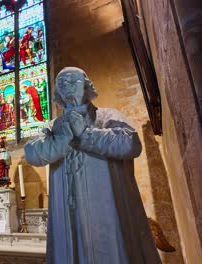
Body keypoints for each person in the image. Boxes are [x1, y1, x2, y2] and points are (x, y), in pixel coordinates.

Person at [24, 67, 160, 264]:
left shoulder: (107, 116)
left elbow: (131, 144)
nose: (67, 86)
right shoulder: (53, 126)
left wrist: (87, 134)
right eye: (61, 83)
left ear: (87, 86)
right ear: (57, 92)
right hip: (67, 209)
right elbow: (32, 152)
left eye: (73, 81)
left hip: (105, 209)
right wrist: (62, 140)